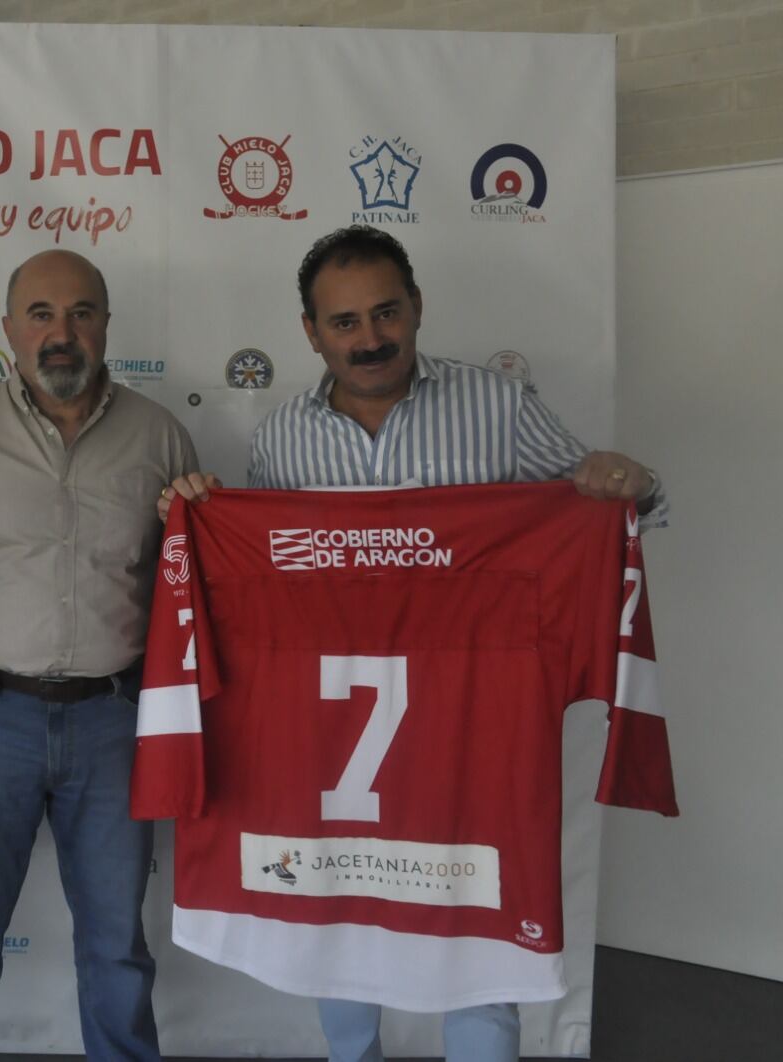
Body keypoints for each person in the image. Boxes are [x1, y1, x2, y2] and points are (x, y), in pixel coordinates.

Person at [159, 224, 665, 1062]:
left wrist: (633, 485)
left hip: (469, 728)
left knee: (480, 924)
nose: (370, 339)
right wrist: (197, 517)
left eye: (386, 314)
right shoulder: (282, 438)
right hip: (333, 734)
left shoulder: (497, 406)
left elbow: (599, 511)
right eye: (346, 322)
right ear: (311, 332)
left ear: (418, 308)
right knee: (338, 916)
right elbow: (264, 598)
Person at [0, 249, 198, 1061]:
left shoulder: (160, 435)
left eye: (80, 313)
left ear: (106, 325)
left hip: (113, 724)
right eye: (40, 314)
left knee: (116, 947)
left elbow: (190, 582)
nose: (60, 334)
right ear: (6, 331)